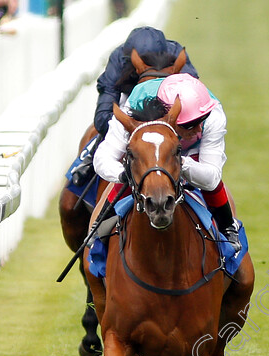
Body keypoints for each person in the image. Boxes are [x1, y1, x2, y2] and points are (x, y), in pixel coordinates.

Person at [93, 74, 241, 251]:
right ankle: (100, 231)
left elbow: (211, 177)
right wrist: (124, 174)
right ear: (167, 117)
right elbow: (103, 158)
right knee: (136, 169)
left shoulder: (212, 114)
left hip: (190, 153)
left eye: (201, 121)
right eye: (190, 125)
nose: (199, 128)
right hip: (149, 153)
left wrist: (179, 162)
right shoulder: (133, 108)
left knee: (211, 185)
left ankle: (228, 230)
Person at [70, 26, 198, 187]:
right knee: (69, 204)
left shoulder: (176, 54)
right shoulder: (118, 58)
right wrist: (128, 128)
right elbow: (104, 111)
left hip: (169, 104)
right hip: (131, 102)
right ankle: (88, 162)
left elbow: (194, 98)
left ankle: (221, 207)